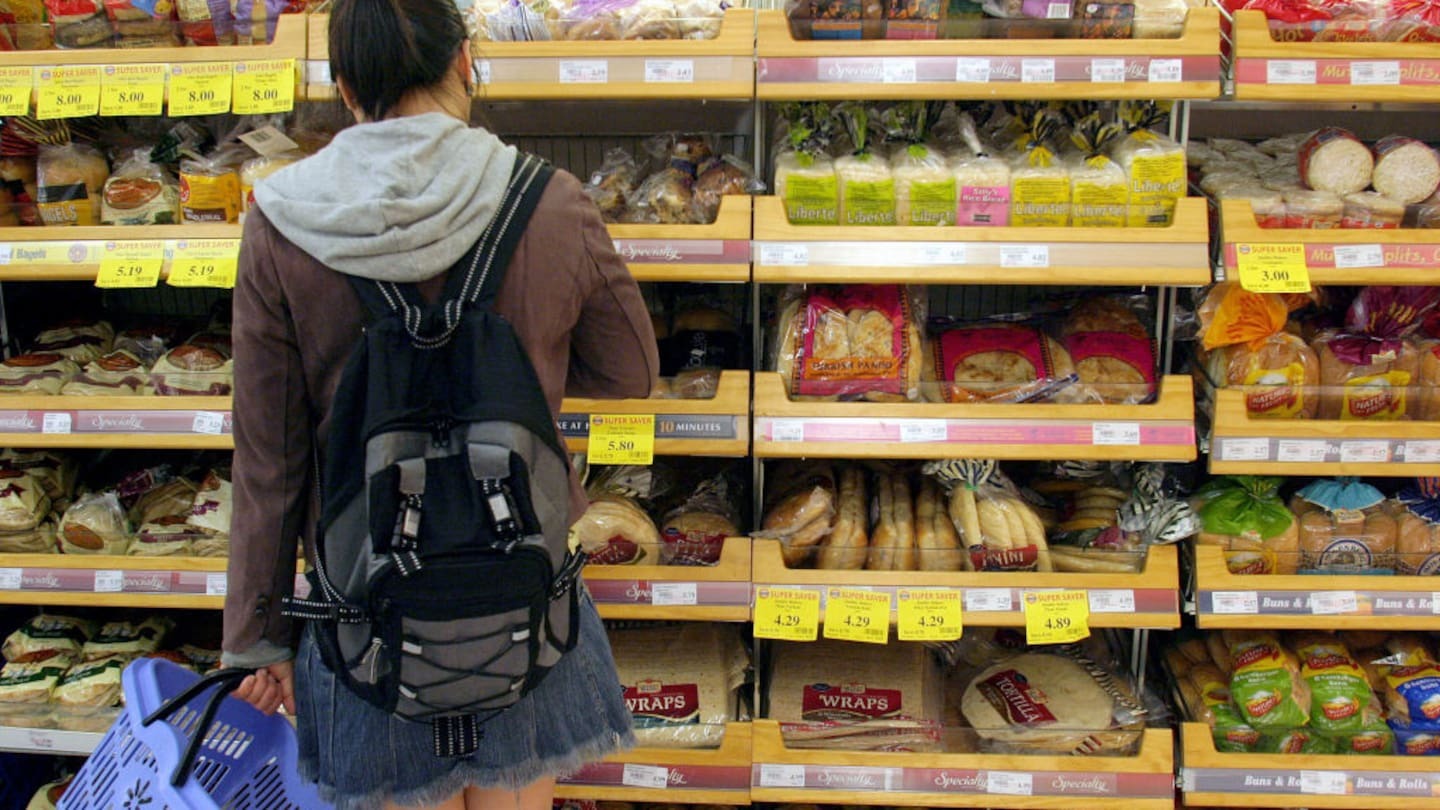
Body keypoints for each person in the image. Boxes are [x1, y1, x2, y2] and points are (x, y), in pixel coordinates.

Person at [219, 0, 658, 804]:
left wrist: (256, 637)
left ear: (345, 87)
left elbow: (269, 462)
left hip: (364, 613)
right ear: (464, 61)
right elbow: (630, 370)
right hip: (526, 595)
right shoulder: (552, 202)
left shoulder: (280, 224)